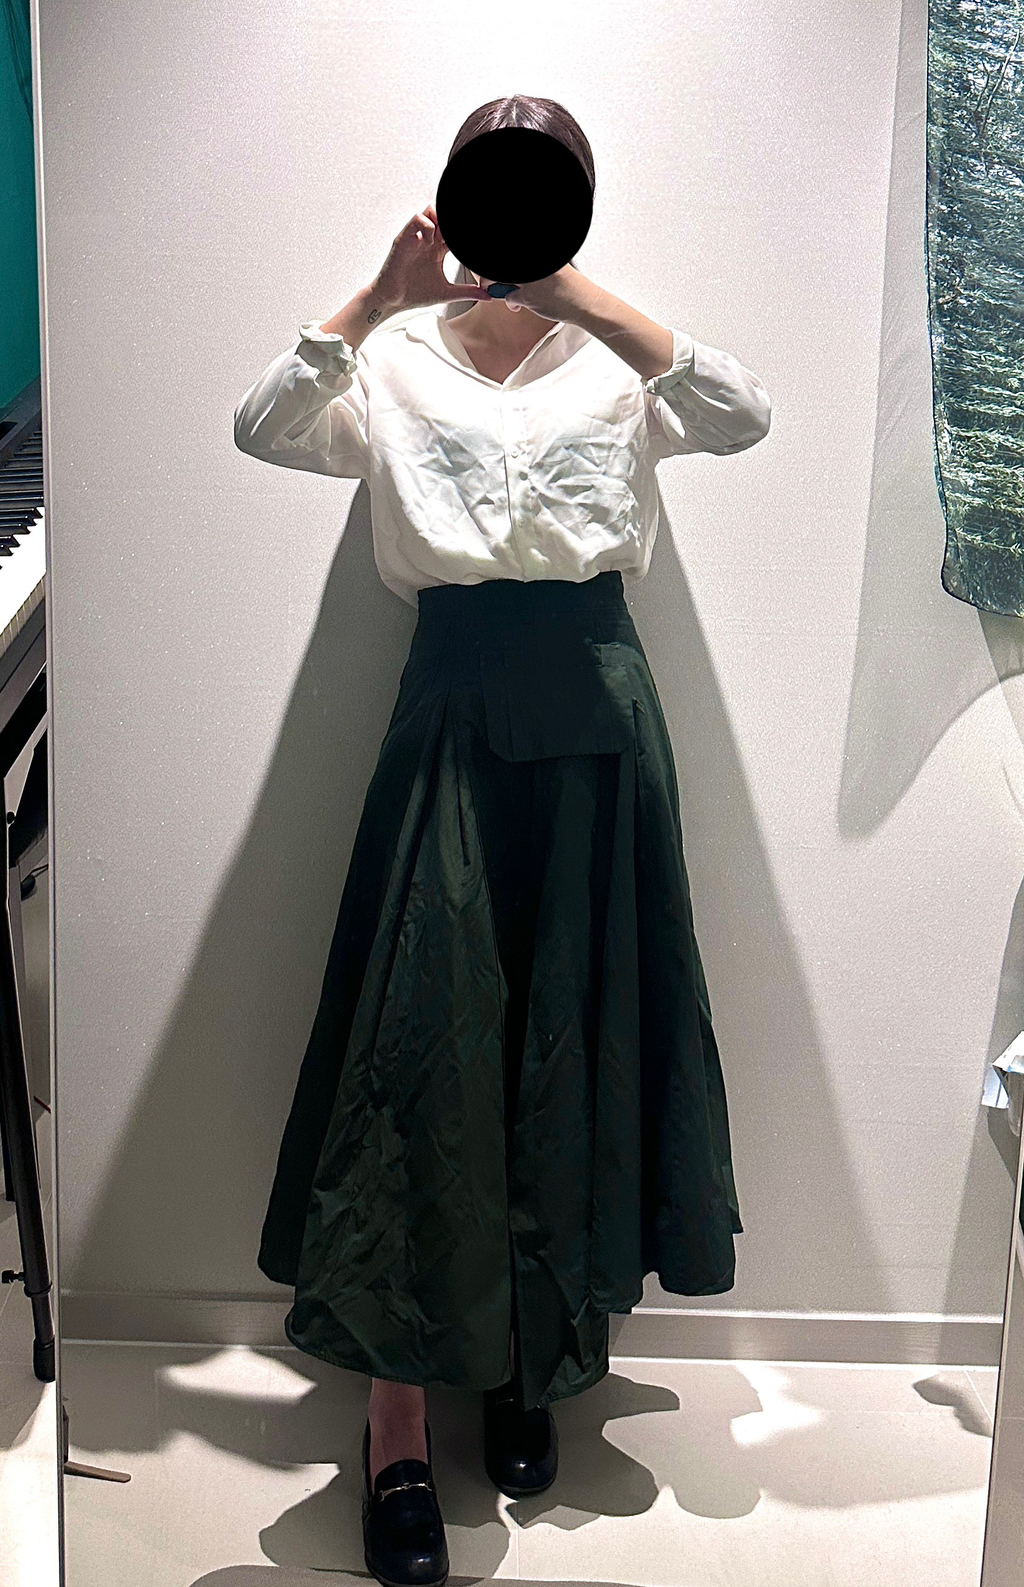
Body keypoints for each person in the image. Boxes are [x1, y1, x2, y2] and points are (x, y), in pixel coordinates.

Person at [234, 93, 770, 1587]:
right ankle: (398, 1414)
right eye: (497, 185)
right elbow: (265, 428)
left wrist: (573, 290)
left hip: (599, 713)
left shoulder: (615, 359)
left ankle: (535, 1346)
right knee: (427, 1041)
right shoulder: (398, 360)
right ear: (454, 196)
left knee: (570, 1030)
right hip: (457, 708)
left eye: (543, 189)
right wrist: (377, 296)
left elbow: (741, 410)